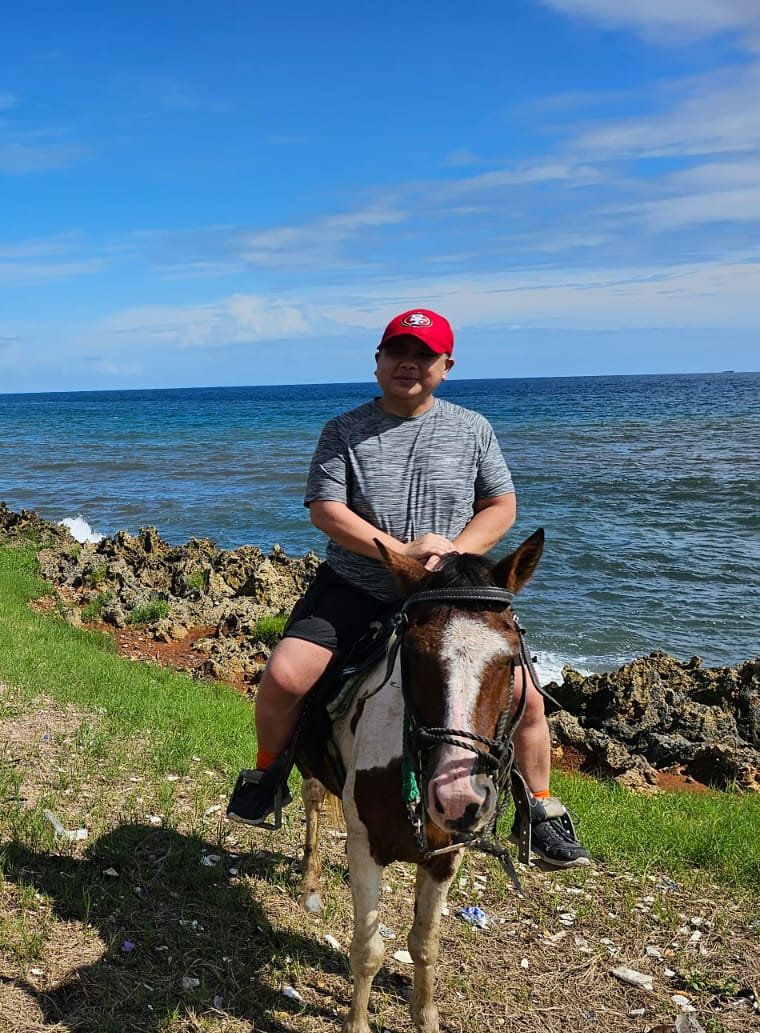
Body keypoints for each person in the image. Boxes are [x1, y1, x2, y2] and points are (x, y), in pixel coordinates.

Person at [227, 308, 591, 869]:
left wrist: (456, 552)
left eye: (424, 355)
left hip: (446, 596)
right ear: (378, 361)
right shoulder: (343, 430)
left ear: (446, 366)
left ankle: (541, 810)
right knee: (283, 678)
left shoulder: (473, 428)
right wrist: (399, 553)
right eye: (398, 352)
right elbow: (326, 510)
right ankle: (267, 772)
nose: (409, 364)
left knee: (528, 702)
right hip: (356, 585)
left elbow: (501, 505)